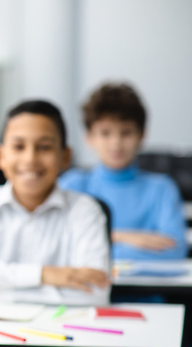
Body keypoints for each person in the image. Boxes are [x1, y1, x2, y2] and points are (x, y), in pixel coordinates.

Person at [0, 100, 110, 306]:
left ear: (65, 157)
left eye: (44, 147)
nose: (30, 159)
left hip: (63, 331)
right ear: (1, 156)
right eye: (19, 146)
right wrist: (44, 274)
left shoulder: (85, 211)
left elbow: (95, 292)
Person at [60, 82, 188, 261]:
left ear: (141, 135)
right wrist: (123, 237)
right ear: (89, 137)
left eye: (126, 133)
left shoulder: (162, 188)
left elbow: (175, 252)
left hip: (148, 289)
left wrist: (97, 242)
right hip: (87, 288)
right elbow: (60, 245)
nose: (116, 144)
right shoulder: (72, 185)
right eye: (105, 133)